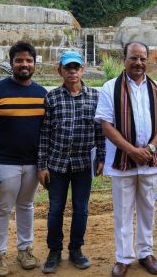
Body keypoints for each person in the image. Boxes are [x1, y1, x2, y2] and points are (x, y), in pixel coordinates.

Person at [95, 41, 157, 277]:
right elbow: (106, 124)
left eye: (142, 58)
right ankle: (123, 257)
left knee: (148, 208)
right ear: (124, 59)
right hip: (122, 160)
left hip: (150, 159)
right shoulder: (110, 87)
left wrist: (149, 147)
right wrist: (131, 150)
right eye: (133, 58)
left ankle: (146, 253)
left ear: (147, 60)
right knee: (123, 210)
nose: (138, 63)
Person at [0, 41, 46, 276]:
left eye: (28, 61)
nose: (24, 64)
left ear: (34, 64)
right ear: (11, 63)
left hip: (33, 164)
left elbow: (47, 132)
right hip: (3, 163)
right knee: (2, 208)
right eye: (19, 60)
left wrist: (44, 164)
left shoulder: (42, 94)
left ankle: (25, 250)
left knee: (26, 206)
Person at [37, 51, 106, 273]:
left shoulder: (95, 97)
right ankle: (54, 251)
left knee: (81, 208)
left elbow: (100, 131)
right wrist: (42, 165)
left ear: (82, 70)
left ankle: (76, 249)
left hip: (83, 165)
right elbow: (44, 133)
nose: (72, 71)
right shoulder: (52, 97)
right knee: (55, 209)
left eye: (76, 67)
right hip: (56, 164)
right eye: (68, 68)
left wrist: (102, 158)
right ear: (60, 71)